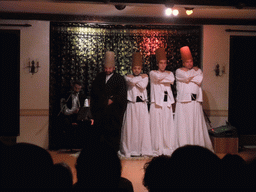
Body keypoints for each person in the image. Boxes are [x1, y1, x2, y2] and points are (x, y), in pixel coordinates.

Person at [174, 46, 213, 151]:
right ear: (183, 63)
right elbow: (185, 77)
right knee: (184, 124)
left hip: (195, 102)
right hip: (184, 102)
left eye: (191, 61)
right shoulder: (178, 71)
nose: (190, 64)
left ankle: (196, 145)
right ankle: (184, 146)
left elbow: (199, 79)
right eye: (187, 62)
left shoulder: (198, 70)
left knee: (195, 124)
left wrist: (190, 76)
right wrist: (192, 75)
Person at [90, 51, 127, 153]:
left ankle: (113, 152)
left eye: (109, 68)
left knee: (112, 134)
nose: (107, 70)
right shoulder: (99, 77)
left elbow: (122, 95)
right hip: (100, 111)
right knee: (99, 133)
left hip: (113, 113)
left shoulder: (119, 79)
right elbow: (94, 92)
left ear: (114, 68)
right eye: (106, 68)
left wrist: (112, 99)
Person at [119, 52, 152, 157]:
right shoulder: (128, 77)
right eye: (135, 68)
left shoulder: (145, 77)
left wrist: (136, 80)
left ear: (141, 68)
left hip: (141, 105)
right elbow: (130, 81)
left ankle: (142, 149)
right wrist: (138, 78)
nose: (136, 70)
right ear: (132, 68)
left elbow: (143, 85)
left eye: (138, 68)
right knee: (131, 127)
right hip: (132, 105)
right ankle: (131, 149)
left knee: (142, 127)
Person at [149, 47, 177, 156]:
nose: (163, 65)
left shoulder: (170, 73)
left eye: (165, 63)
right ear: (157, 64)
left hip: (167, 103)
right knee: (156, 125)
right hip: (156, 103)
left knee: (167, 125)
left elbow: (171, 80)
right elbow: (157, 77)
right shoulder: (152, 73)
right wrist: (165, 79)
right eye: (161, 63)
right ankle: (157, 147)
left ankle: (167, 146)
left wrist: (163, 79)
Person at [60, 80, 93, 149]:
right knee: (66, 122)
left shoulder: (83, 96)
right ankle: (70, 145)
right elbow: (64, 111)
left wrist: (83, 112)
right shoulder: (67, 96)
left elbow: (86, 108)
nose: (77, 90)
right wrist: (73, 111)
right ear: (73, 87)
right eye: (76, 88)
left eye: (79, 88)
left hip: (79, 116)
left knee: (88, 123)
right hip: (70, 116)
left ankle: (84, 146)